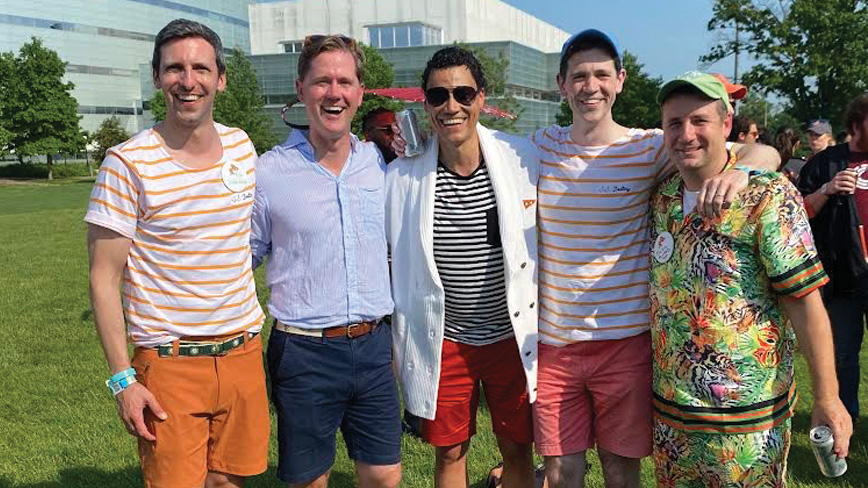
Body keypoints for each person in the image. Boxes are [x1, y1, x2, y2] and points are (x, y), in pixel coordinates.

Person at [530, 29, 780, 488]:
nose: (591, 86)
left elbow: (762, 151)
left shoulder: (647, 147)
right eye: (579, 76)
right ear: (561, 84)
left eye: (601, 74)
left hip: (625, 343)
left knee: (620, 468)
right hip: (553, 344)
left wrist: (742, 171)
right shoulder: (538, 149)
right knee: (561, 472)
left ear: (620, 80)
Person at [86, 18, 268, 488]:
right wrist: (122, 381)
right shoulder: (126, 163)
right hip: (169, 363)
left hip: (243, 354)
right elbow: (103, 279)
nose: (188, 81)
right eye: (174, 69)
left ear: (221, 78)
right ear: (157, 77)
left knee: (229, 482)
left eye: (201, 68)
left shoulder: (242, 147)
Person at [650, 71, 851, 486]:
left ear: (727, 124)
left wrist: (828, 398)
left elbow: (806, 303)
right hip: (672, 421)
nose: (686, 134)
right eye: (674, 123)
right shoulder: (663, 197)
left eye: (699, 121)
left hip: (747, 425)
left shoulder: (768, 196)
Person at [250, 34, 401, 488]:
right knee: (309, 480)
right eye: (321, 82)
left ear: (360, 92)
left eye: (344, 81)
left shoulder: (382, 165)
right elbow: (243, 258)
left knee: (384, 476)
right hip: (304, 351)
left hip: (374, 346)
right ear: (301, 90)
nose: (333, 93)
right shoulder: (268, 172)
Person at [386, 46, 538, 488]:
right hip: (445, 339)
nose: (451, 106)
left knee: (517, 446)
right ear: (426, 103)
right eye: (438, 96)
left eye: (463, 94)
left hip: (510, 335)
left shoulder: (521, 158)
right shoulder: (402, 174)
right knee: (450, 450)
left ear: (481, 98)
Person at [798, 93, 868, 424]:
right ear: (855, 124)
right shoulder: (824, 163)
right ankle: (844, 421)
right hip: (842, 278)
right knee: (843, 357)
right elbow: (794, 215)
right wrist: (827, 189)